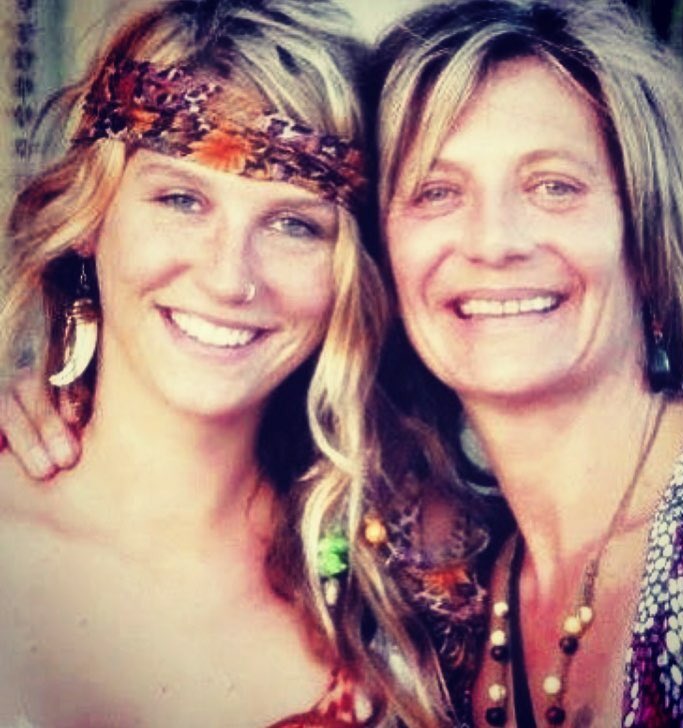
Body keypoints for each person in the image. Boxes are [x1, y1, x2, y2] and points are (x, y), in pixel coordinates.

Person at [0, 0, 449, 725]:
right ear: (91, 216)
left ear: (349, 274)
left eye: (294, 224)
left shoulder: (403, 586)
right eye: (181, 199)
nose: (229, 278)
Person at [371, 0, 683, 725]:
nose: (494, 242)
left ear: (645, 237)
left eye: (553, 186)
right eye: (437, 192)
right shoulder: (467, 587)